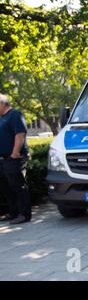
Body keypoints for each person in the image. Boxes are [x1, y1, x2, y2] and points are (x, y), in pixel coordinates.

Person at [0, 94, 32, 224]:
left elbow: (20, 134)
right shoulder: (2, 118)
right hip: (4, 159)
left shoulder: (15, 115)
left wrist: (15, 153)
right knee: (7, 186)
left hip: (14, 157)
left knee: (18, 186)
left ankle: (24, 214)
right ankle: (13, 213)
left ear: (2, 103)